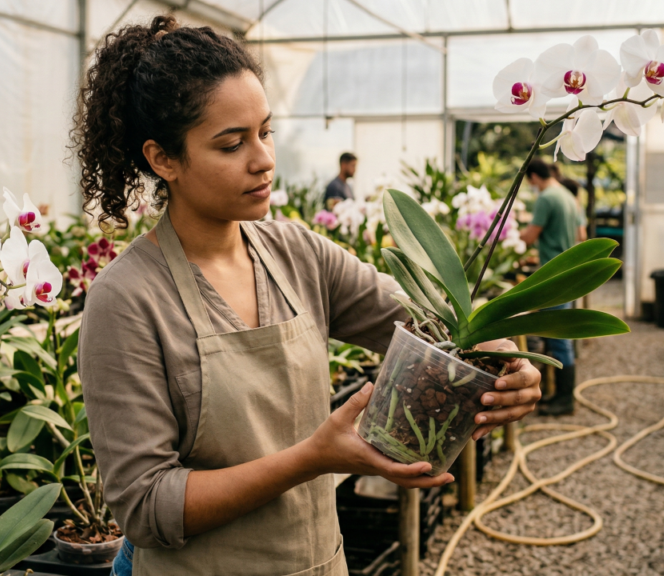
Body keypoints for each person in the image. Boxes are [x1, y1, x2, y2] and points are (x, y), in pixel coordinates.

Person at [74, 16, 542, 576]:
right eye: (231, 143)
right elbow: (147, 508)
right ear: (164, 159)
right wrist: (313, 457)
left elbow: (432, 323)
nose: (263, 159)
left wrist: (505, 361)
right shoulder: (126, 300)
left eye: (265, 132)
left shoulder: (298, 254)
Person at [520, 159, 587, 416]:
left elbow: (530, 236)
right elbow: (580, 236)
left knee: (559, 339)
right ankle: (559, 395)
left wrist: (511, 237)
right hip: (569, 272)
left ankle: (564, 400)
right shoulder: (568, 196)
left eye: (531, 182)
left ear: (534, 177)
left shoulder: (547, 198)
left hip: (554, 276)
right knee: (560, 336)